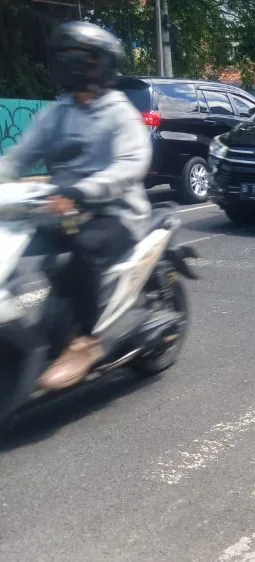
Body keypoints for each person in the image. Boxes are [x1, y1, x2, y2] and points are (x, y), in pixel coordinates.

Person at [0, 21, 152, 390]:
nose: (74, 64)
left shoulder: (120, 112)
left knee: (84, 249)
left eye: (83, 58)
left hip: (115, 213)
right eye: (66, 56)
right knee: (15, 249)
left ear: (103, 64)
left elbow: (131, 164)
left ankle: (85, 341)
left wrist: (82, 191)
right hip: (61, 210)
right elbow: (18, 157)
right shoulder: (56, 113)